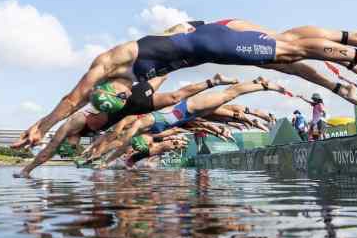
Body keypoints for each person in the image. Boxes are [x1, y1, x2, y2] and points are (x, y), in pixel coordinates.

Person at [12, 20, 357, 149]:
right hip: (211, 44)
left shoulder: (110, 63)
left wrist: (41, 126)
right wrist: (43, 130)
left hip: (212, 39)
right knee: (287, 57)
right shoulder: (136, 86)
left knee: (287, 52)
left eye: (116, 98)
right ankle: (350, 74)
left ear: (109, 88)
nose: (123, 99)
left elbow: (72, 98)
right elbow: (77, 106)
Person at [13, 74, 238, 177]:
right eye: (73, 147)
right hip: (133, 109)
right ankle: (211, 82)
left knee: (168, 85)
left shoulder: (74, 123)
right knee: (173, 98)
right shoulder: (85, 132)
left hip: (130, 101)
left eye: (70, 146)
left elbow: (50, 147)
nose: (72, 145)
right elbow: (105, 142)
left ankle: (211, 81)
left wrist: (27, 169)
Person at [87, 77, 289, 162]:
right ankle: (248, 116)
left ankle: (260, 85)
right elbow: (119, 142)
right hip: (189, 116)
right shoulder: (154, 135)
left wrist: (103, 157)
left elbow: (119, 141)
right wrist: (103, 157)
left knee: (229, 96)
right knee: (226, 110)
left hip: (188, 108)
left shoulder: (140, 125)